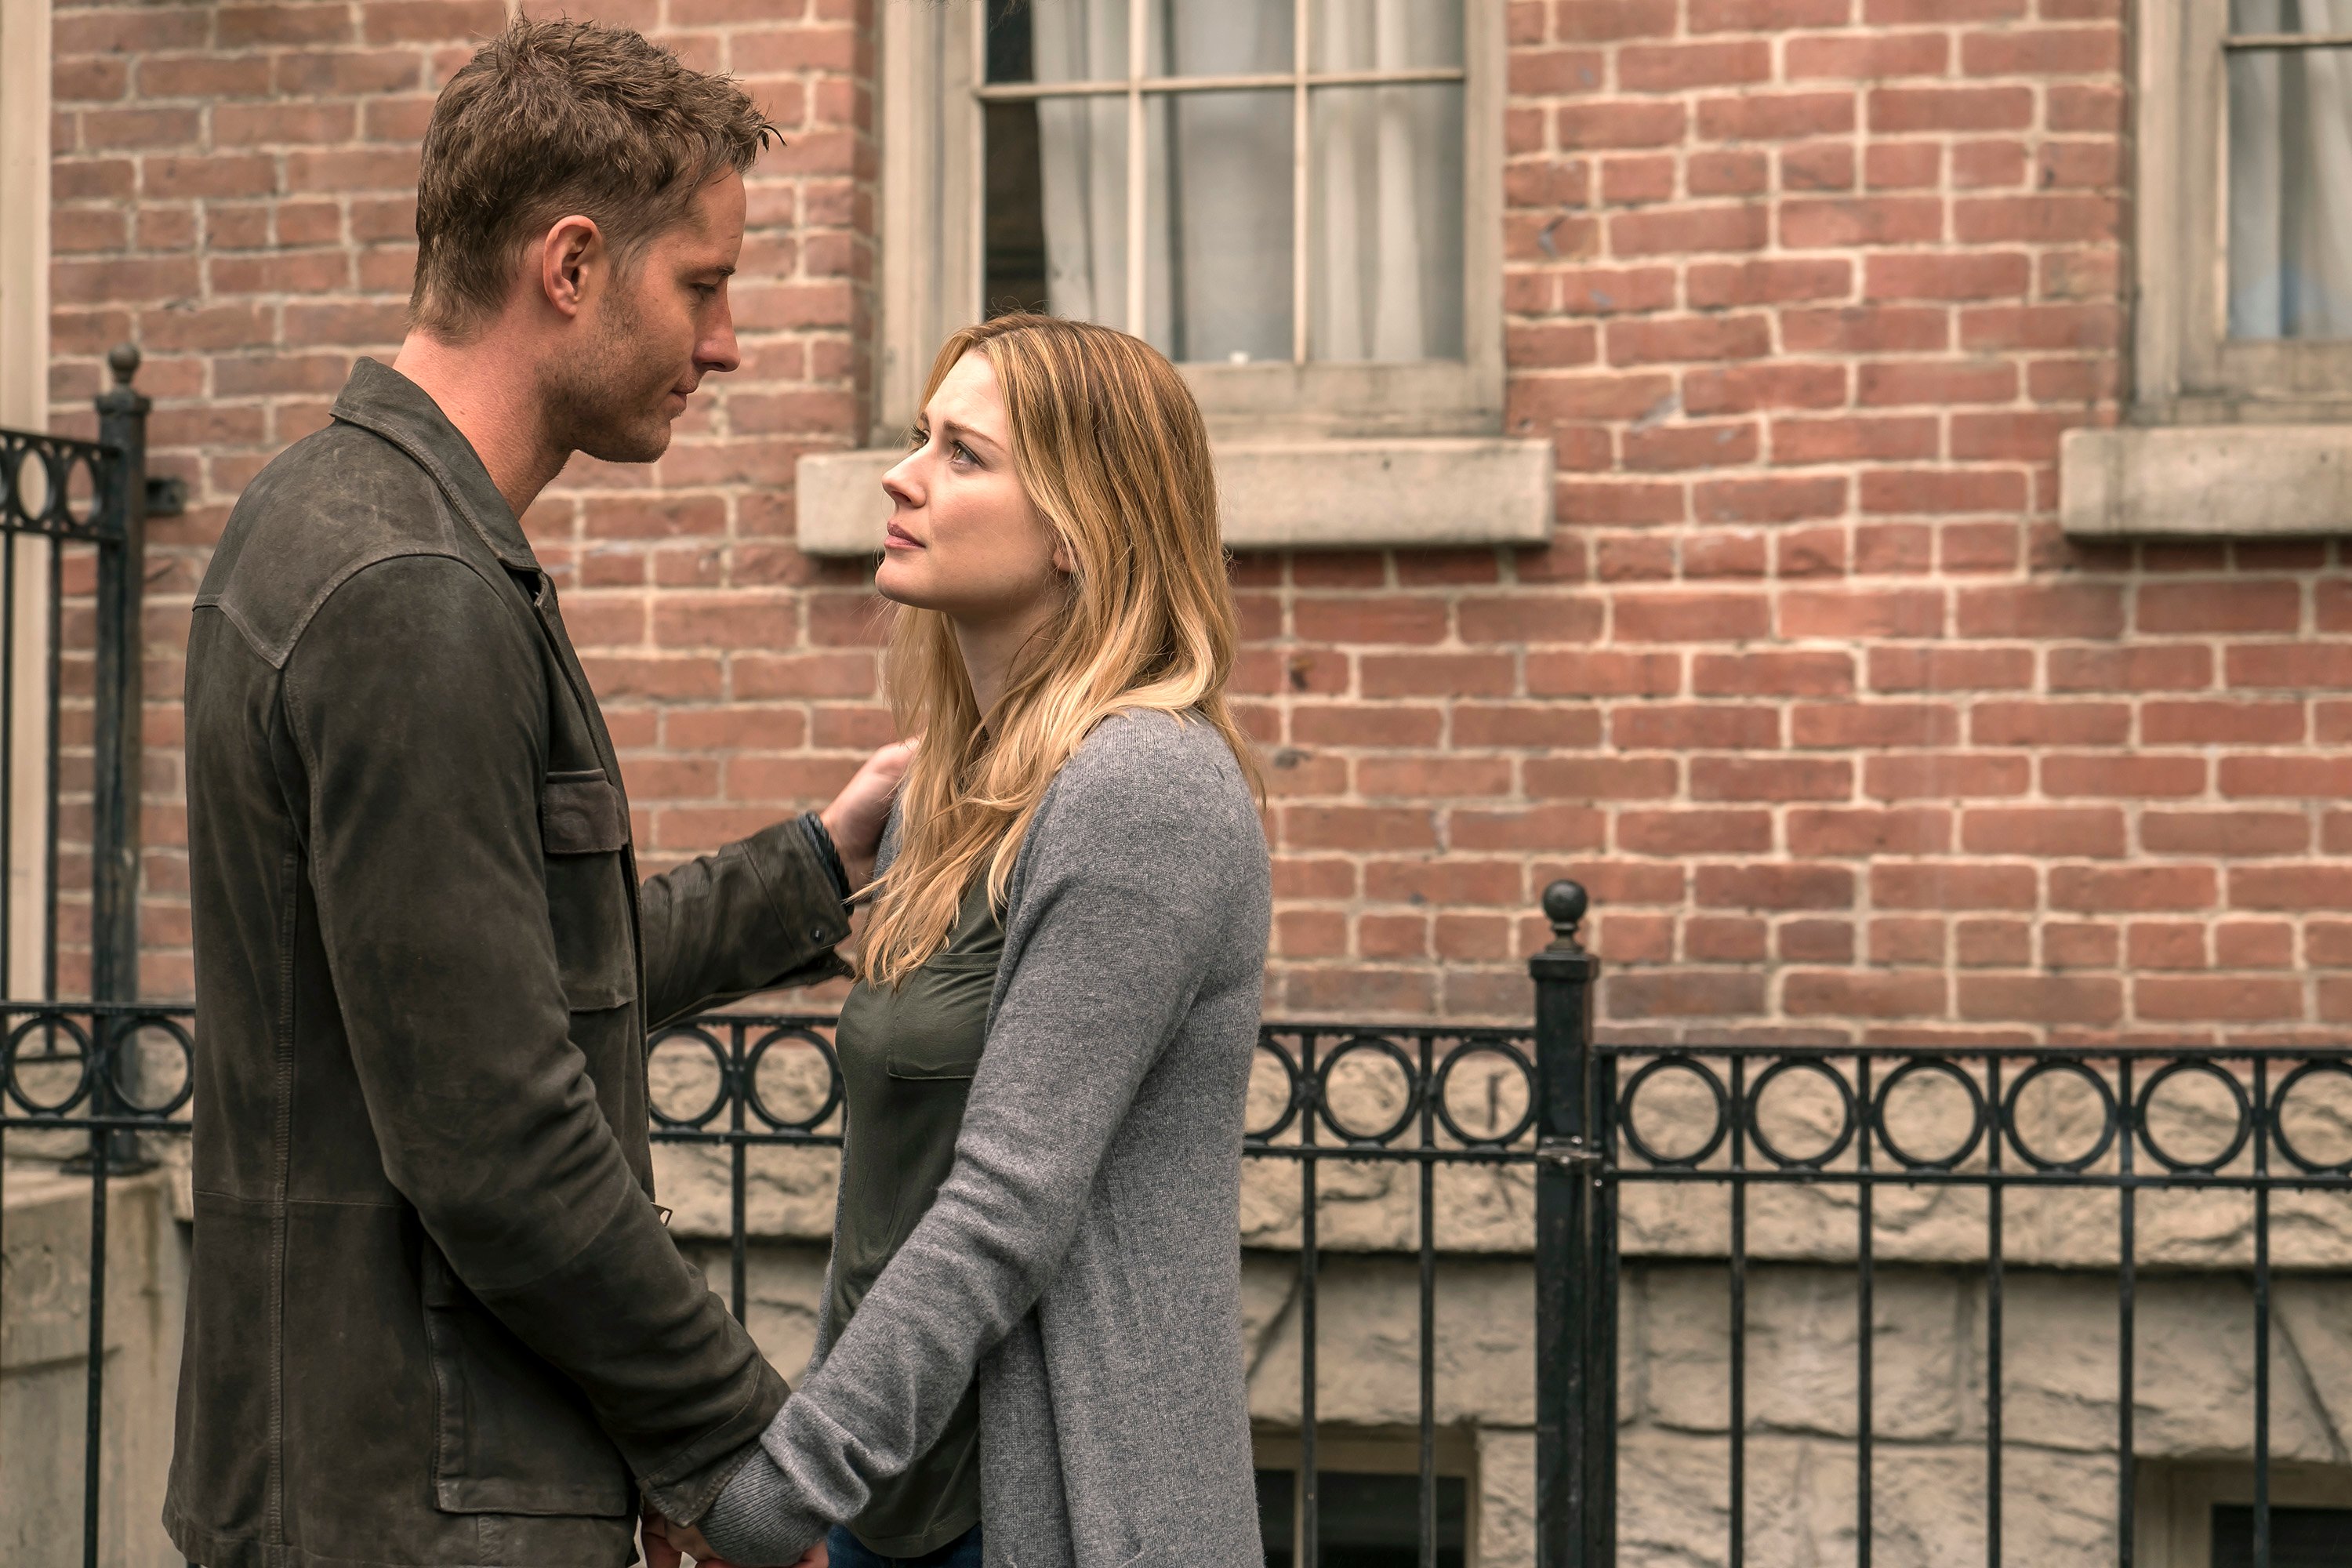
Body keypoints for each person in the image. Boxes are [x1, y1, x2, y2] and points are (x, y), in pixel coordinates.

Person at [165, 21, 893, 1568]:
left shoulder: (330, 515)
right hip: (419, 1515)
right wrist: (730, 1444)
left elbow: (506, 989)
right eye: (704, 285)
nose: (729, 343)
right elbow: (497, 1132)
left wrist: (816, 869)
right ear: (570, 267)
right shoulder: (409, 591)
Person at [652, 314, 1274, 1568]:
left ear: (1078, 529)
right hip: (895, 1500)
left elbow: (1003, 1205)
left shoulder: (1145, 790)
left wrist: (782, 1491)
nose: (904, 474)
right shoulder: (958, 791)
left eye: (962, 453)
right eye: (914, 438)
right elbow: (888, 1198)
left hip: (1045, 1517)